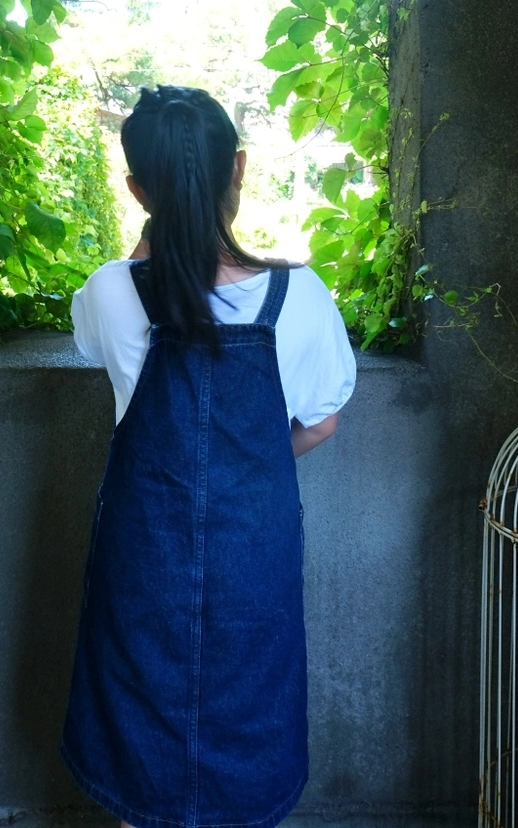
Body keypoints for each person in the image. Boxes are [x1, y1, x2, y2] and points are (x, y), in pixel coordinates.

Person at [60, 84, 357, 828]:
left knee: (142, 742)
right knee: (247, 726)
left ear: (135, 190)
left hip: (145, 558)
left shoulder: (108, 293)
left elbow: (108, 324)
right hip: (251, 559)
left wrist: (156, 231)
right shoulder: (302, 297)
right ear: (241, 171)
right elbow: (318, 426)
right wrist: (252, 460)